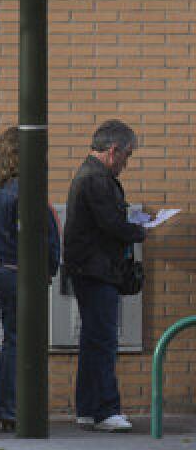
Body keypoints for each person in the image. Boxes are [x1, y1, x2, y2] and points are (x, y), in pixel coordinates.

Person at [64, 119, 147, 433]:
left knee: (92, 341)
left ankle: (88, 409)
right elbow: (111, 223)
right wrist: (140, 231)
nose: (127, 162)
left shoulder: (89, 175)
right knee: (103, 342)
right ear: (114, 150)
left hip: (89, 269)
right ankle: (105, 410)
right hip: (97, 271)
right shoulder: (96, 179)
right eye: (127, 155)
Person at [0, 126, 61, 433]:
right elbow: (45, 239)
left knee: (11, 340)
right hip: (21, 272)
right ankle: (12, 409)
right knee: (21, 343)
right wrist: (50, 270)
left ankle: (6, 408)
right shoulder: (26, 191)